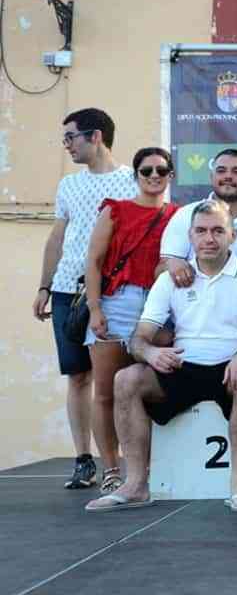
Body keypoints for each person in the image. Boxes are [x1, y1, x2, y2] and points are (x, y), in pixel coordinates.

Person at [85, 200, 237, 512]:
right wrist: (151, 353)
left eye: (218, 231)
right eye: (201, 231)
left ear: (233, 236)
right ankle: (135, 485)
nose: (209, 238)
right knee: (126, 379)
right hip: (183, 365)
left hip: (230, 367)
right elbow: (139, 338)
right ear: (190, 236)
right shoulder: (170, 279)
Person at [35, 108, 138, 490]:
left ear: (96, 136)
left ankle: (123, 462)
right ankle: (84, 460)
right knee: (78, 376)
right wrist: (44, 286)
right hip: (68, 291)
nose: (67, 145)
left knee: (116, 381)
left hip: (114, 292)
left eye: (71, 137)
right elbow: (57, 238)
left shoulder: (132, 181)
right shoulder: (68, 185)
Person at [82, 147, 180, 495]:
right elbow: (93, 261)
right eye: (146, 170)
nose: (154, 176)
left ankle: (144, 470)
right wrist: (95, 308)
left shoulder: (179, 215)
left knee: (146, 389)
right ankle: (111, 469)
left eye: (161, 170)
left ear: (170, 175)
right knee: (105, 392)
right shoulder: (116, 210)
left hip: (160, 307)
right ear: (136, 175)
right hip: (117, 303)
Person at [158, 148, 237, 283]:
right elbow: (161, 271)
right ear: (211, 177)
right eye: (221, 171)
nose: (228, 176)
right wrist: (171, 265)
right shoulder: (186, 215)